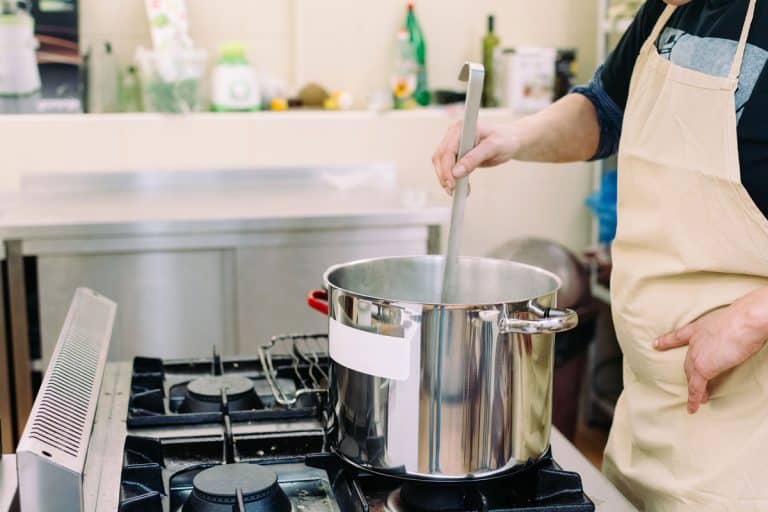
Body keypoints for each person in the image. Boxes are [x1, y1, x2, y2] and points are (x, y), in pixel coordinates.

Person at [432, 0, 768, 509]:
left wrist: (755, 315)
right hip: (646, 423)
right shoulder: (667, 10)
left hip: (748, 437)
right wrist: (512, 137)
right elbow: (604, 111)